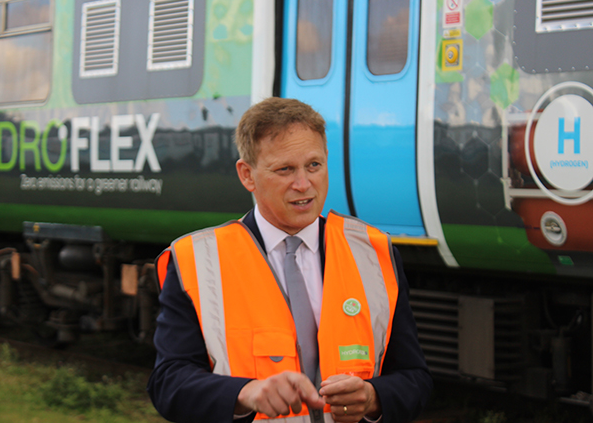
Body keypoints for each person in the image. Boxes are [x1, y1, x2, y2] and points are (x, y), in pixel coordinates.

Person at [148, 97, 432, 423]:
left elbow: (415, 378)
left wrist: (373, 397)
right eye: (285, 169)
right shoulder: (196, 262)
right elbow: (167, 383)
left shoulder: (374, 253)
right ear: (247, 175)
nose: (303, 184)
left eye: (314, 165)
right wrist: (244, 394)